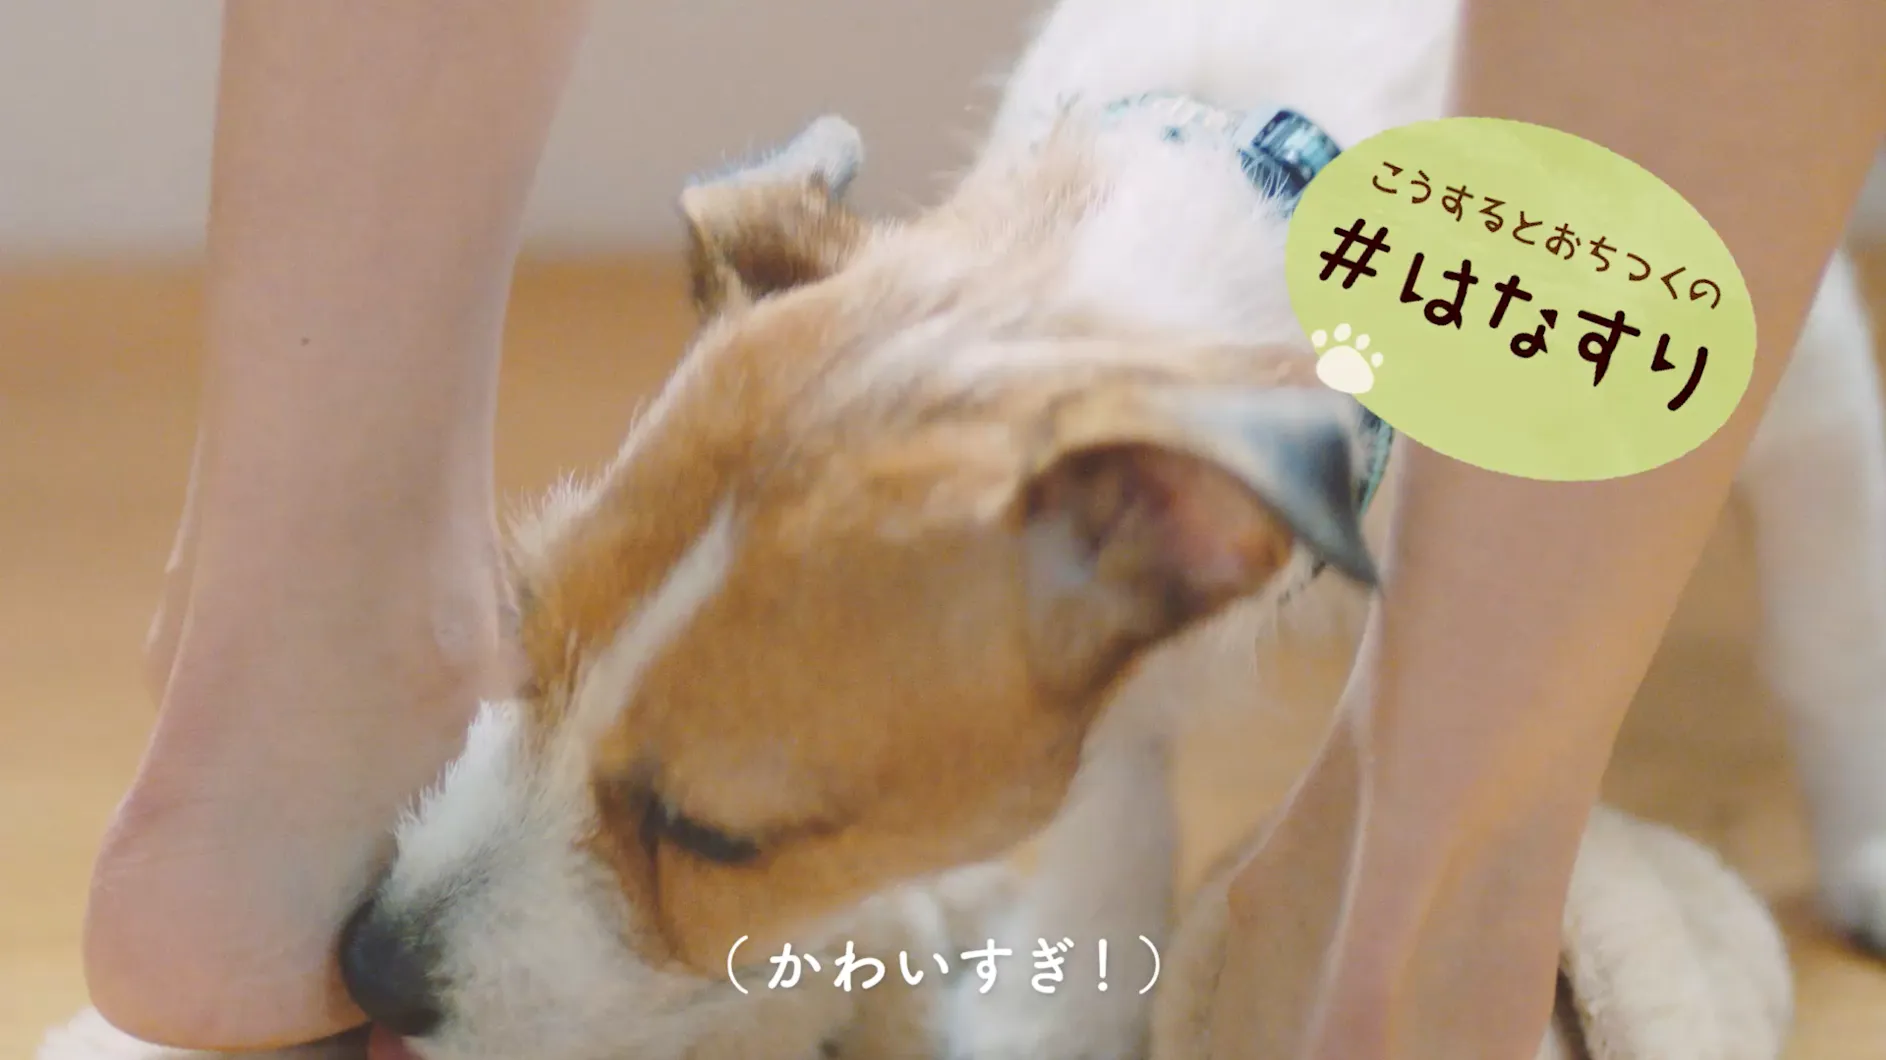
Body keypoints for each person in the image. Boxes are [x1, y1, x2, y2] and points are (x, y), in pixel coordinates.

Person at [80, 2, 1886, 1058]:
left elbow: (1799, 388)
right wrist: (1078, 948)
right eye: (536, 650)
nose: (410, 936)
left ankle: (1429, 912)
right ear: (783, 239)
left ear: (1199, 528)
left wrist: (1857, 788)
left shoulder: (1481, 332)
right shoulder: (1001, 274)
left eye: (695, 828)